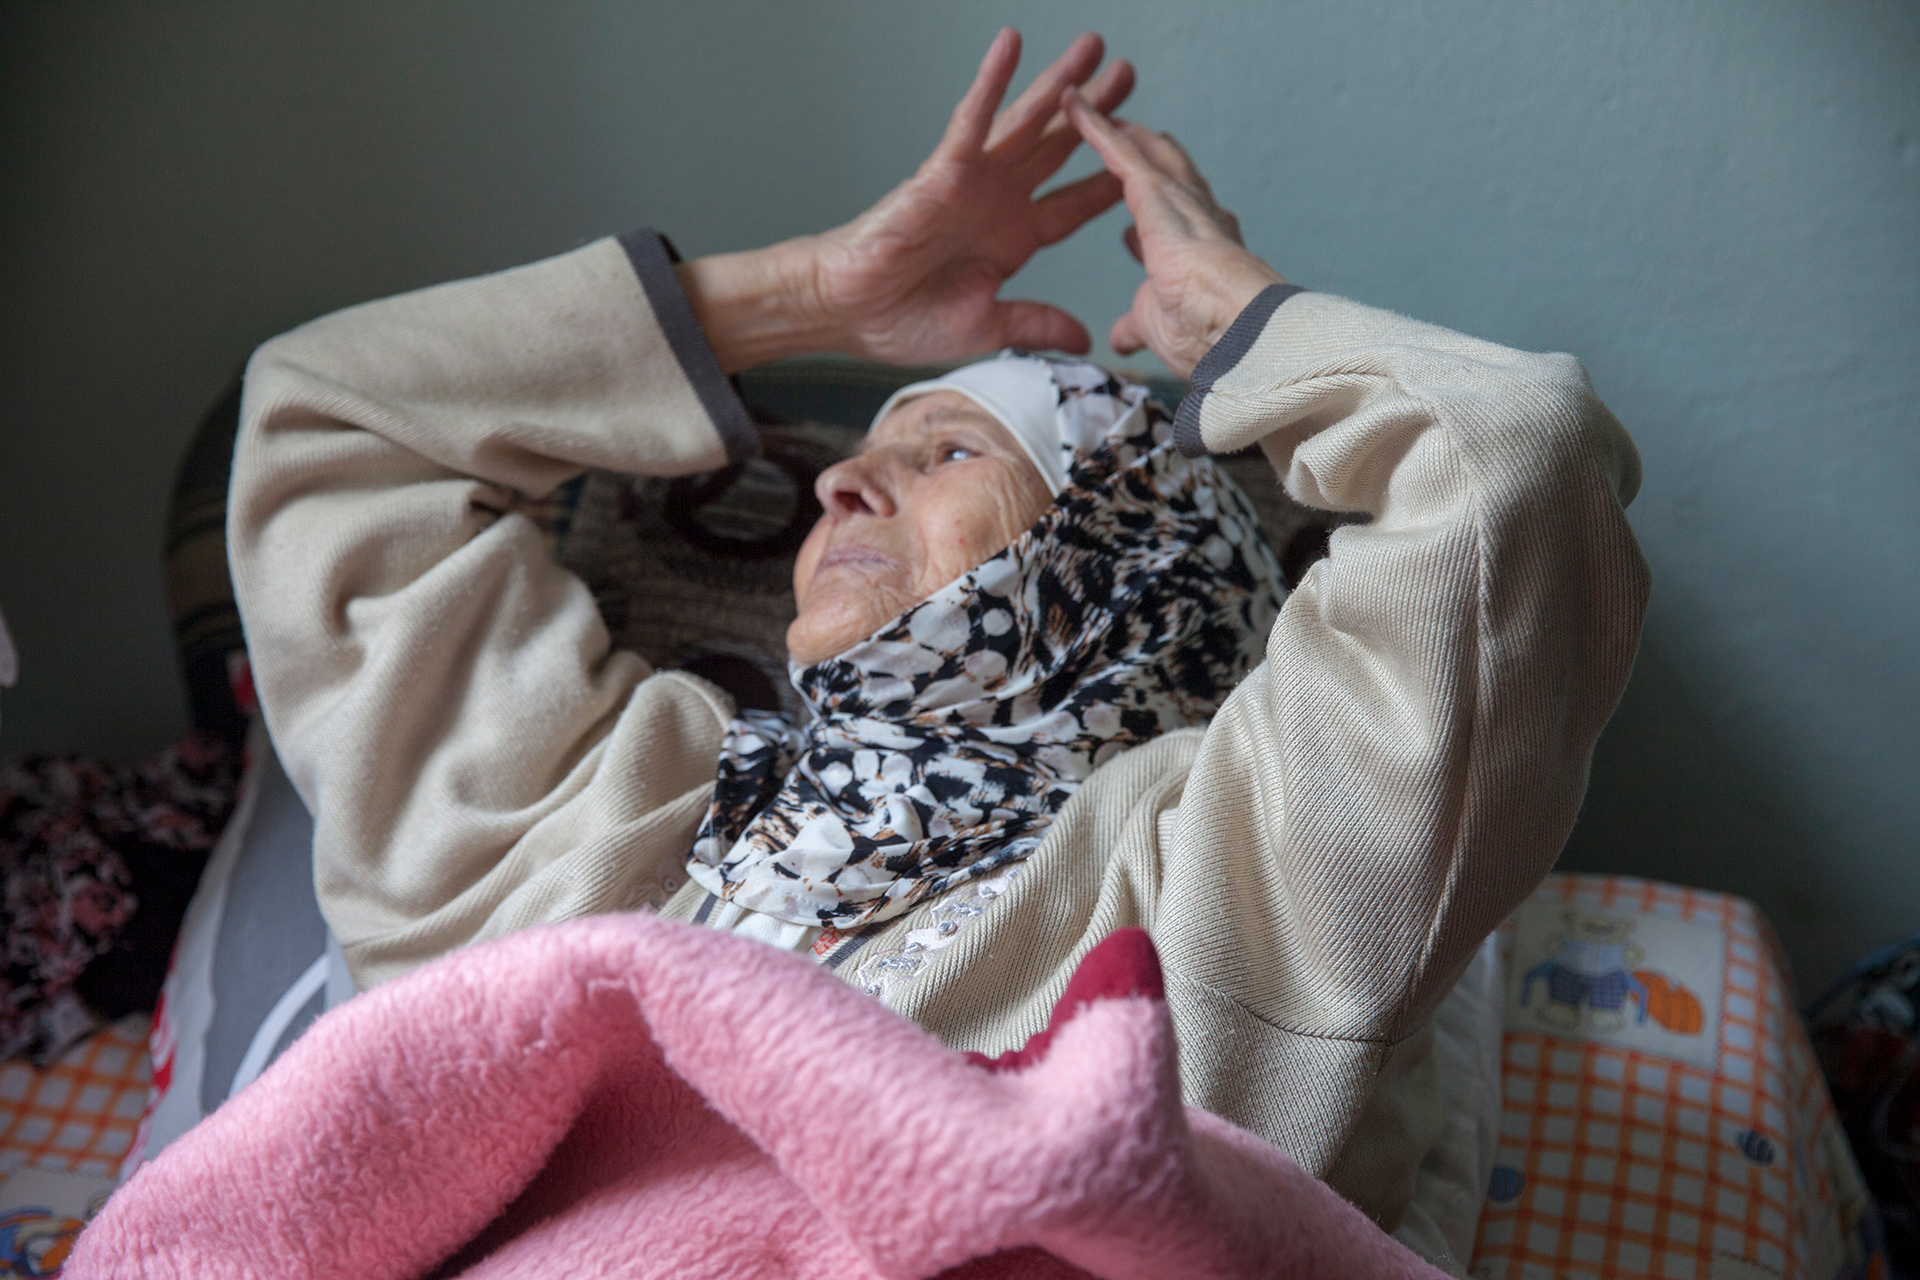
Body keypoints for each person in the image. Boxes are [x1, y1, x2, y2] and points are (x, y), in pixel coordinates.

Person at [228, 27, 1647, 1248]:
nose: (844, 481)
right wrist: (815, 295)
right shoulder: (613, 813)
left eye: (950, 451)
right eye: (867, 453)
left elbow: (1515, 464)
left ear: (1120, 559)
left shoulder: (1225, 877)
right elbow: (329, 427)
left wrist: (1234, 319)